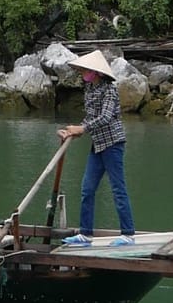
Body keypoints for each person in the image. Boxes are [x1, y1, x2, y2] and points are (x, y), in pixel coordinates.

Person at [58, 49, 135, 244]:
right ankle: (85, 233)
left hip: (113, 144)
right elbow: (91, 118)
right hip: (98, 144)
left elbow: (106, 117)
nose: (84, 73)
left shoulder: (109, 90)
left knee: (118, 189)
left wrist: (82, 128)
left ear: (97, 72)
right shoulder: (90, 90)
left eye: (87, 70)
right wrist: (72, 131)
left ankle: (128, 234)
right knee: (87, 188)